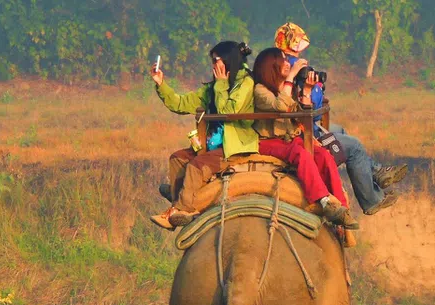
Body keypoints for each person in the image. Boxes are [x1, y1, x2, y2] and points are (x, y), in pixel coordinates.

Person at [274, 22, 407, 216]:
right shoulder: (288, 70)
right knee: (354, 147)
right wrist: (307, 86)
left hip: (299, 124)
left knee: (340, 130)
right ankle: (371, 200)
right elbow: (306, 110)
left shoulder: (275, 66)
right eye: (297, 51)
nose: (299, 57)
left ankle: (377, 172)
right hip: (297, 130)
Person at [149, 41, 258, 230]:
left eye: (216, 60)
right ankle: (179, 200)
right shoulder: (212, 88)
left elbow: (229, 111)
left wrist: (222, 84)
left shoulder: (246, 83)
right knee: (177, 158)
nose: (213, 65)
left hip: (233, 146)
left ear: (228, 61)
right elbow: (181, 103)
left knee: (196, 166)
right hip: (212, 143)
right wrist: (161, 84)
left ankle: (183, 209)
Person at [251, 47, 358, 229]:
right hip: (268, 141)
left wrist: (307, 91)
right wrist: (291, 77)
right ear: (271, 66)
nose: (287, 64)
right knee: (300, 153)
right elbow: (281, 106)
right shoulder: (260, 90)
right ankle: (323, 200)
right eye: (283, 61)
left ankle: (342, 208)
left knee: (323, 155)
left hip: (290, 139)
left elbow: (302, 115)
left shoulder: (285, 87)